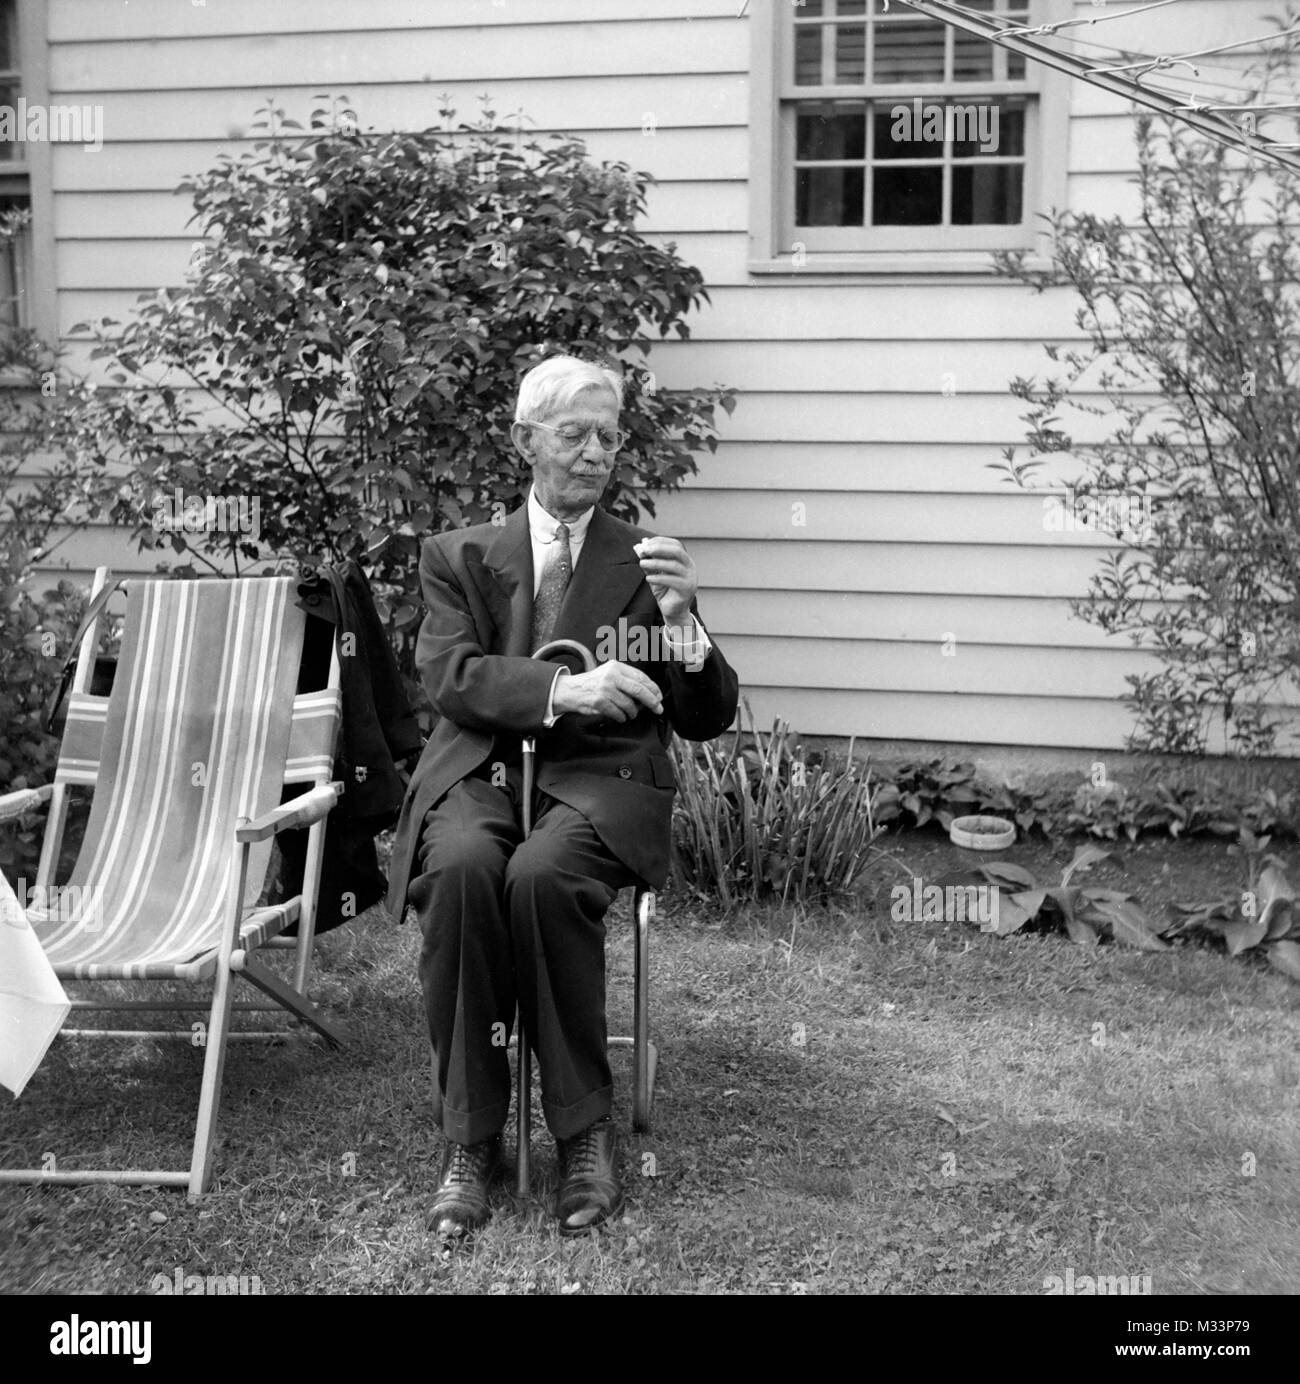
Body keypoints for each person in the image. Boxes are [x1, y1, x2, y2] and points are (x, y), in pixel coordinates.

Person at [385, 354, 739, 1240]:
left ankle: (582, 1134)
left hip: (600, 782)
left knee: (542, 877)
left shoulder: (644, 562)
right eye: (574, 433)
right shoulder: (457, 557)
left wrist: (687, 630)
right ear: (525, 441)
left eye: (608, 437)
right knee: (465, 870)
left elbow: (706, 717)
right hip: (481, 770)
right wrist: (561, 692)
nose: (593, 454)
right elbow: (451, 679)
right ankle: (472, 1141)